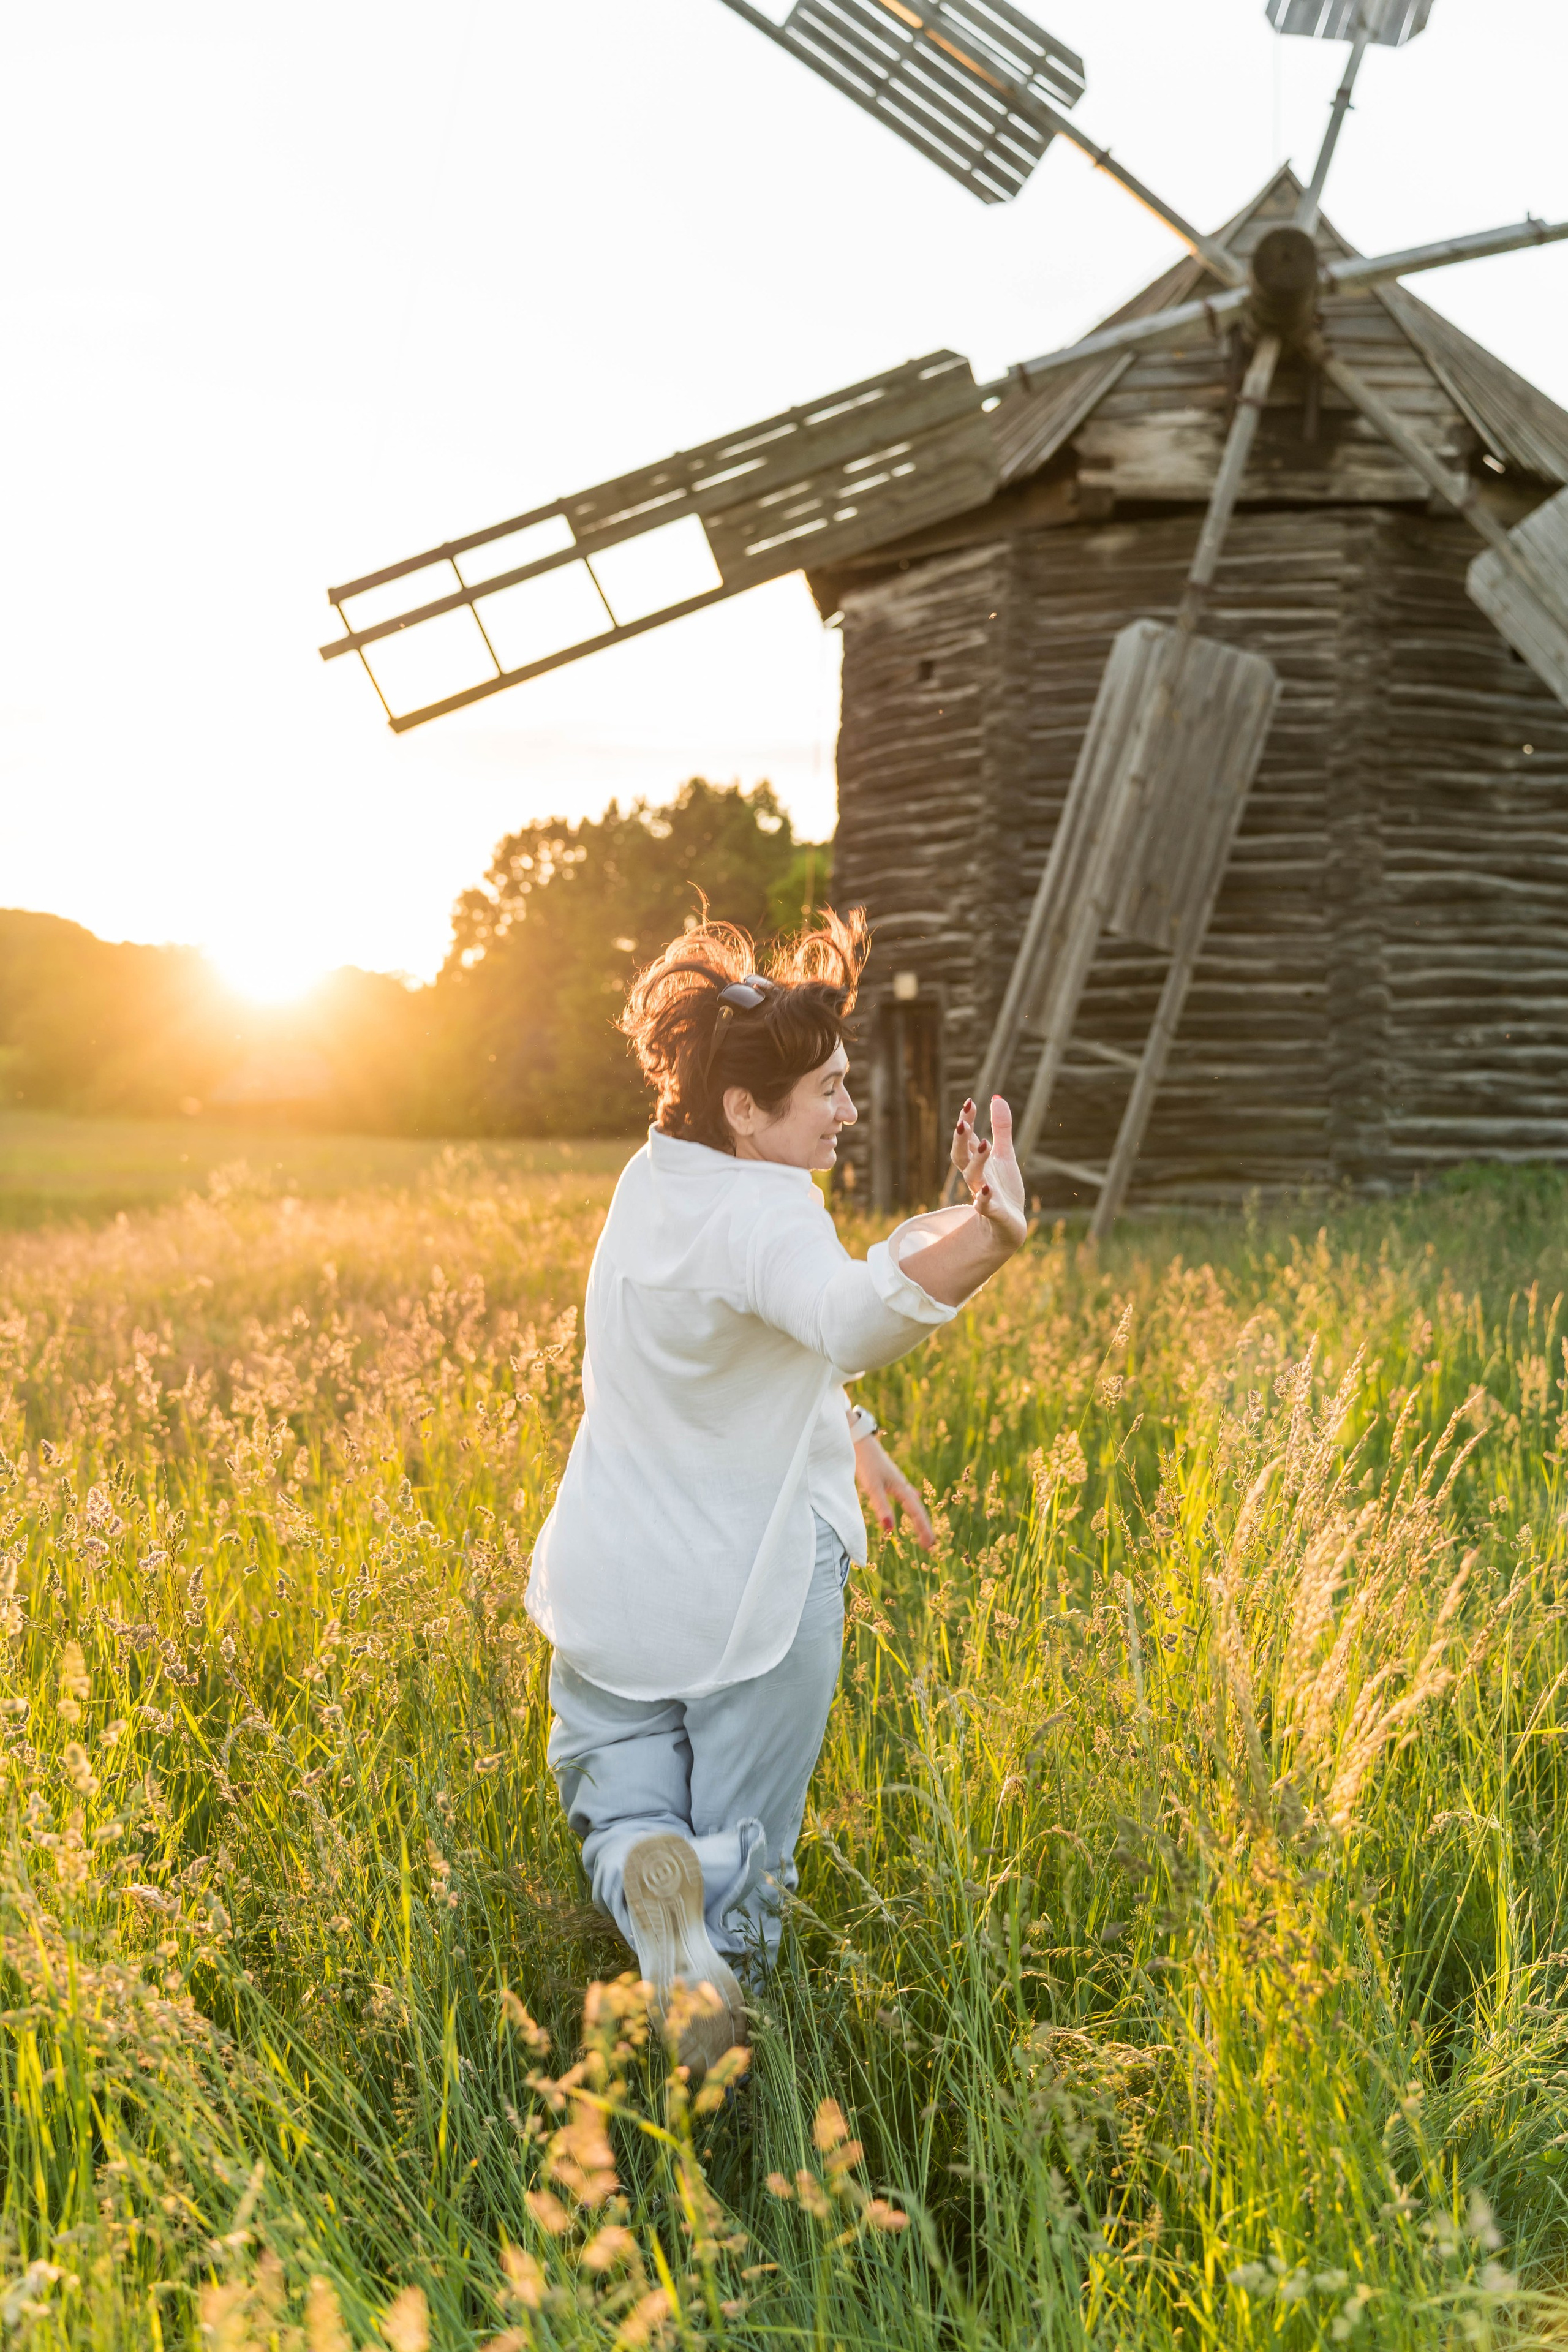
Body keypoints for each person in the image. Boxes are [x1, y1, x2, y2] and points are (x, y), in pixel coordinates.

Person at [525, 910, 1028, 2067]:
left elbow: (734, 1337)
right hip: (751, 1583)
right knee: (747, 1855)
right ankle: (731, 2118)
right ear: (747, 1110)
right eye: (830, 1092)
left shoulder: (659, 1178)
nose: (851, 1112)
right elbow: (840, 1307)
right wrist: (989, 1237)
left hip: (614, 1573)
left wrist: (847, 1425)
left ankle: (663, 1895)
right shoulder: (767, 1213)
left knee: (622, 1807)